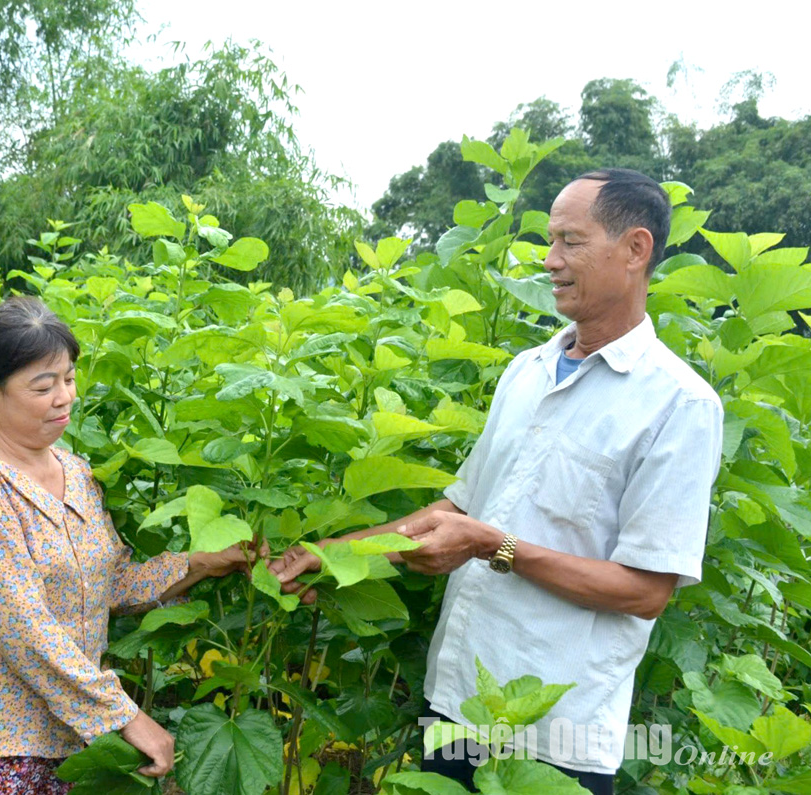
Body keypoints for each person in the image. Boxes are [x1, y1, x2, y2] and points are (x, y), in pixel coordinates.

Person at [271, 169, 723, 795]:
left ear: (636, 249)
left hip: (554, 733)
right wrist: (330, 555)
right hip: (457, 696)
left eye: (571, 241)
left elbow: (645, 591)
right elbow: (457, 507)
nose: (550, 259)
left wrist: (492, 545)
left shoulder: (677, 404)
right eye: (549, 240)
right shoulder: (528, 370)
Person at [0, 296, 257, 795]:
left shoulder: (74, 472)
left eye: (69, 379)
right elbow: (24, 627)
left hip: (73, 748)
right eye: (43, 386)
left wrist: (202, 563)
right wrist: (127, 717)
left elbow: (110, 582)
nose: (64, 398)